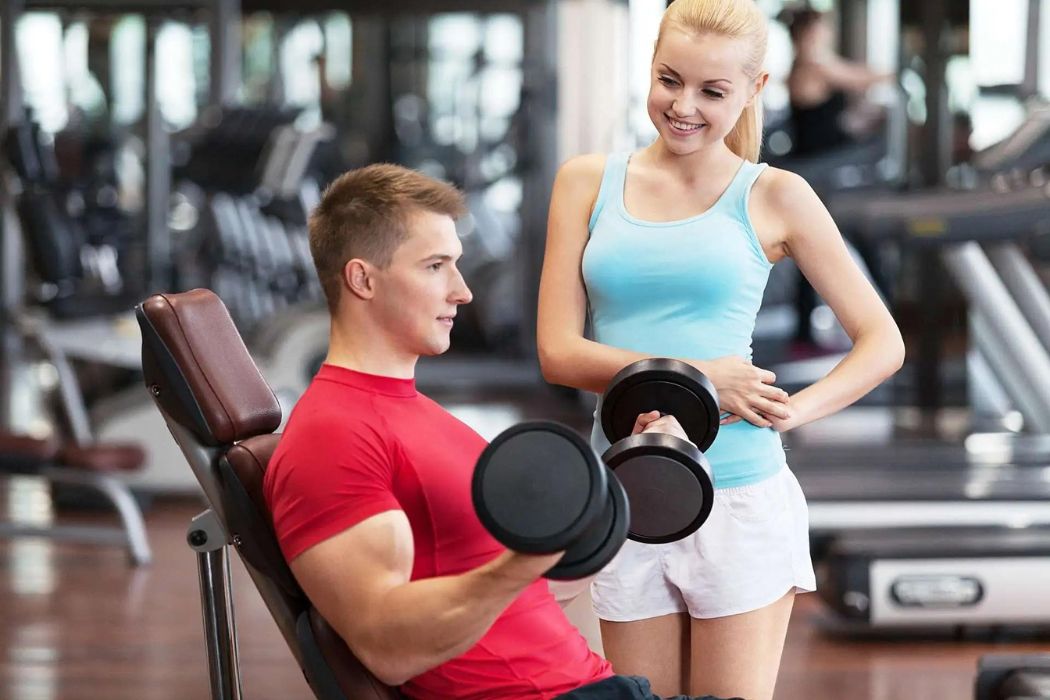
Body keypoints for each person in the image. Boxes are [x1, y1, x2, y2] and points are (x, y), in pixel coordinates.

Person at [536, 1, 905, 699]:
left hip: (738, 497)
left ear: (755, 89)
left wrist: (788, 412)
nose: (684, 106)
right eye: (670, 80)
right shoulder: (586, 181)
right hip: (627, 491)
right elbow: (557, 352)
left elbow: (882, 342)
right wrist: (704, 378)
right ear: (650, 67)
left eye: (712, 91)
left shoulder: (774, 195)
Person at [263, 163, 738, 700]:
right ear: (362, 279)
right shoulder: (333, 436)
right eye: (435, 266)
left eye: (456, 265)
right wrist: (523, 560)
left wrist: (613, 494)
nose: (463, 292)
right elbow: (387, 647)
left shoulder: (419, 416)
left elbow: (531, 593)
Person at [785, 6, 894, 157]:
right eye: (823, 26)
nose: (828, 31)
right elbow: (859, 78)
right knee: (881, 147)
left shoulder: (802, 62)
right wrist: (897, 73)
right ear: (810, 32)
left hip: (816, 148)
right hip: (820, 154)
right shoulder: (814, 66)